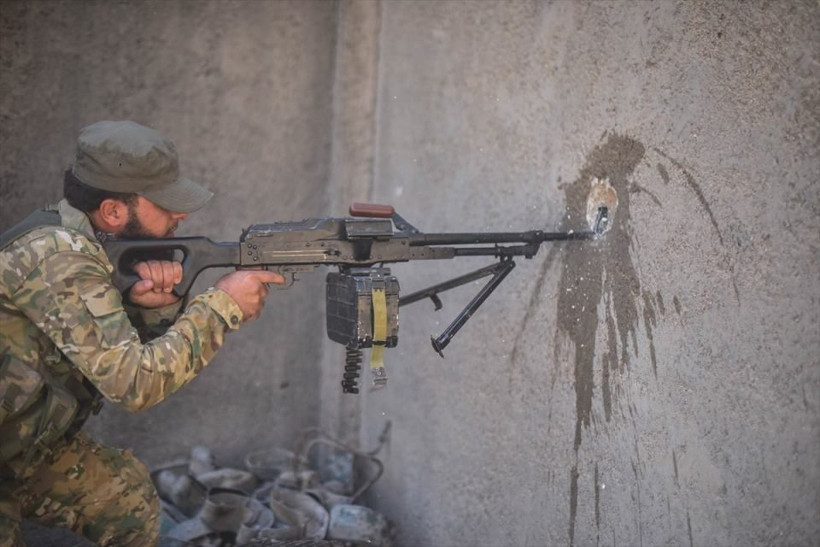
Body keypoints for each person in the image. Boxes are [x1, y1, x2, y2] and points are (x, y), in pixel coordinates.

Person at [0, 120, 284, 546]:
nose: (180, 215)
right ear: (114, 211)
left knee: (125, 498)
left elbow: (104, 349)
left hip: (21, 447)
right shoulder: (57, 258)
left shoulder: (87, 246)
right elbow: (133, 384)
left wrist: (154, 308)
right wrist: (221, 305)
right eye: (165, 204)